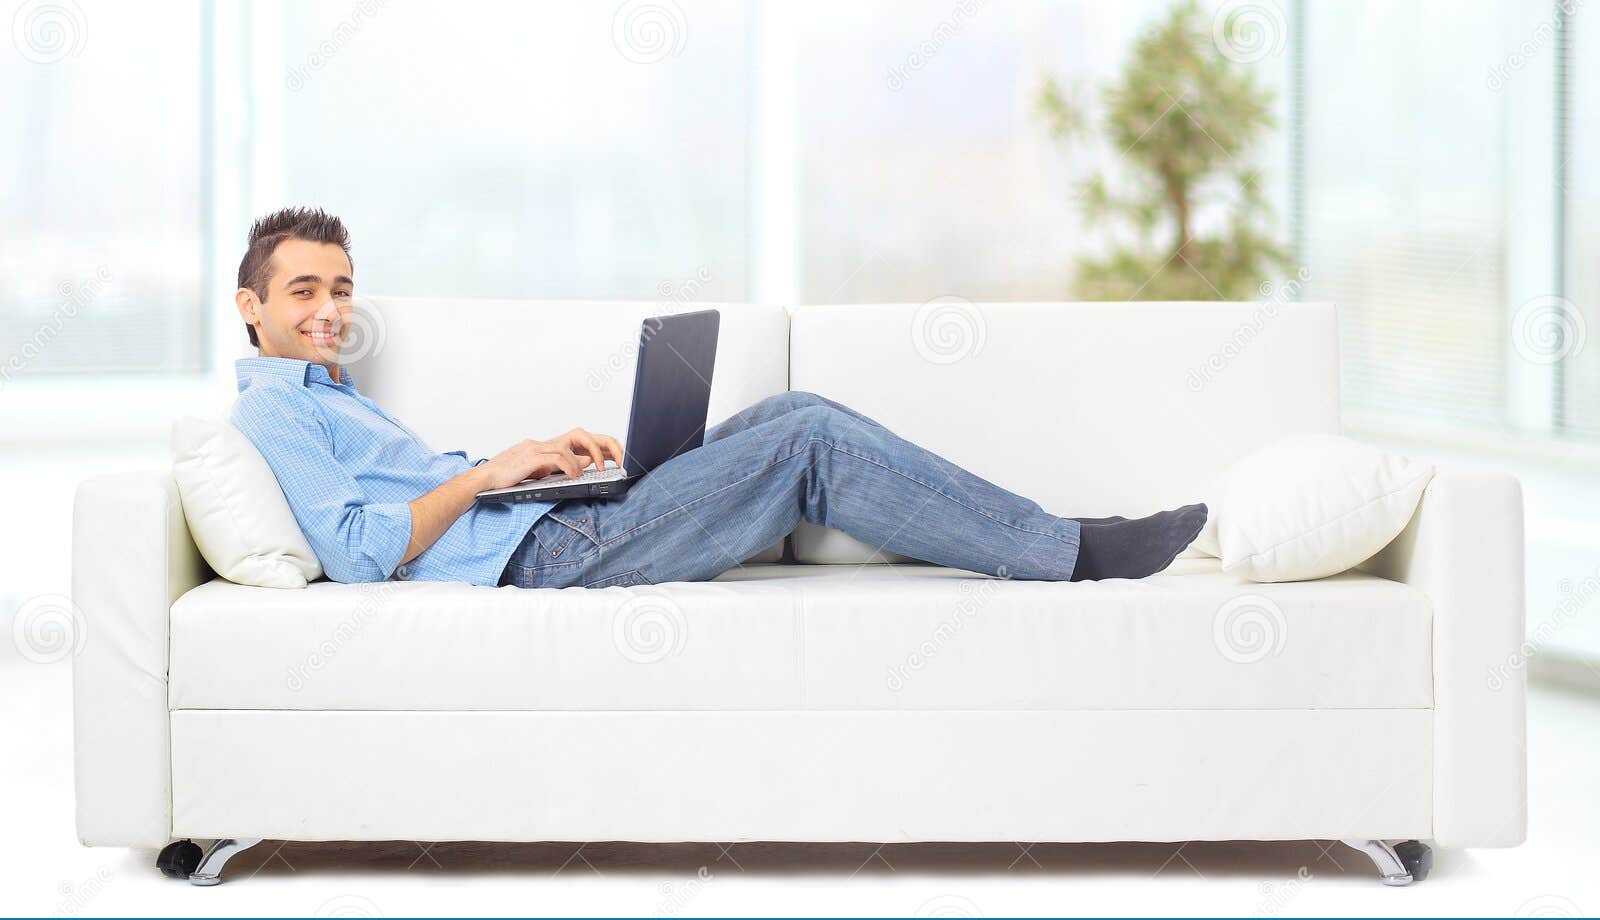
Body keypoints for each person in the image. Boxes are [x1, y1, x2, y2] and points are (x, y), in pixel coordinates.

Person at [231, 207, 1206, 590]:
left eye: (341, 287)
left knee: (792, 409)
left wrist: (533, 467)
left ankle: (1035, 531)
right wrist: (492, 473)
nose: (329, 309)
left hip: (538, 523)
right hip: (542, 562)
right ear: (251, 305)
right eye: (304, 291)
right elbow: (358, 551)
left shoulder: (328, 389)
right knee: (811, 443)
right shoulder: (275, 408)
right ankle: (1070, 552)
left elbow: (414, 504)